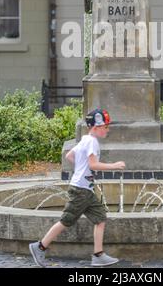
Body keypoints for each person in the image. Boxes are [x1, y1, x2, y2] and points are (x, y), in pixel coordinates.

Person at [29, 108, 126, 267]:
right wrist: (113, 165)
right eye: (105, 127)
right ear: (96, 127)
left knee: (100, 217)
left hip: (84, 188)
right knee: (66, 220)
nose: (107, 130)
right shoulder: (92, 142)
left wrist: (81, 168)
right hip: (81, 189)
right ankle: (39, 247)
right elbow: (93, 165)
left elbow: (70, 156)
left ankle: (98, 254)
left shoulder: (85, 139)